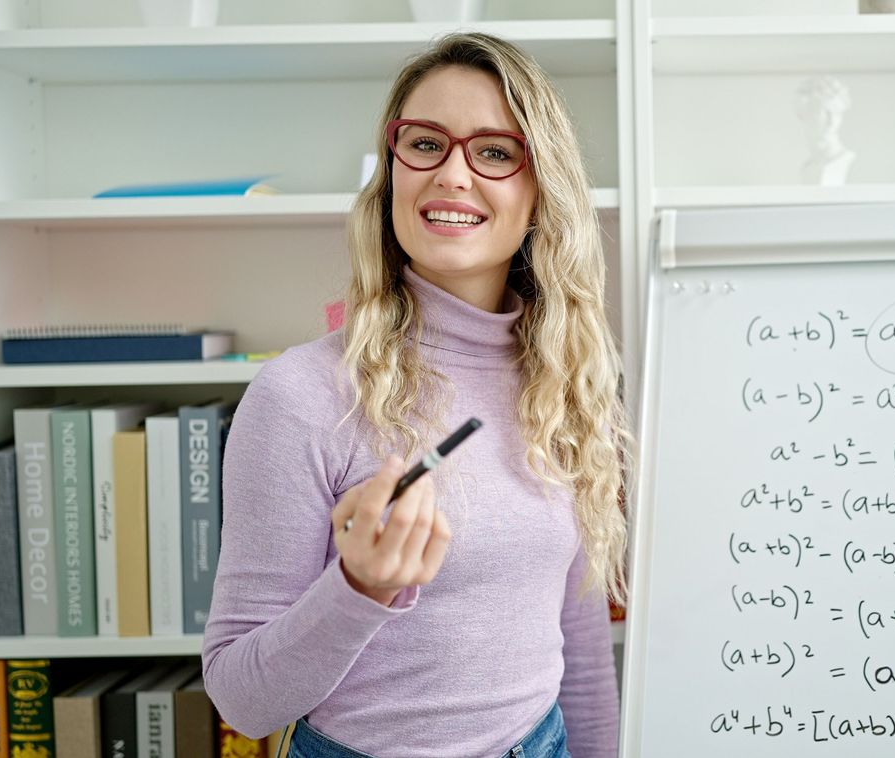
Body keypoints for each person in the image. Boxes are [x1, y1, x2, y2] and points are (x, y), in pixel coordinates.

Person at [201, 31, 629, 758]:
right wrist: (359, 588)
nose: (452, 175)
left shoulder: (571, 383)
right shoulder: (301, 394)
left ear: (539, 191)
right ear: (392, 173)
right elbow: (242, 700)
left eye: (495, 151)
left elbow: (579, 648)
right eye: (425, 143)